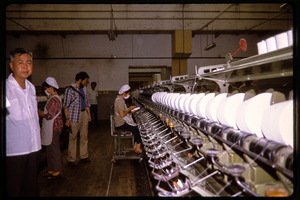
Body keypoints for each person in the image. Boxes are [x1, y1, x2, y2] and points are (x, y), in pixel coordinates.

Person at [6, 48, 41, 196]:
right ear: (12, 65)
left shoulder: (31, 88)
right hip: (15, 151)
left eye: (29, 63)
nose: (25, 67)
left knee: (31, 187)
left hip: (34, 147)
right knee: (14, 189)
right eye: (20, 63)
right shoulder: (6, 89)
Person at [63, 71, 91, 166]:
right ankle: (71, 159)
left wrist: (89, 115)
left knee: (84, 136)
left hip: (84, 114)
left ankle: (84, 156)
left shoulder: (85, 89)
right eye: (85, 81)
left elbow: (87, 103)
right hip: (74, 116)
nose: (85, 83)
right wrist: (67, 119)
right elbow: (66, 106)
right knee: (73, 137)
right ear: (80, 80)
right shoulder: (69, 90)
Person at [38, 77, 63, 179]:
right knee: (49, 149)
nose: (45, 90)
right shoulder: (52, 99)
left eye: (46, 88)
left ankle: (57, 169)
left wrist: (40, 113)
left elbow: (49, 115)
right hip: (50, 127)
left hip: (54, 127)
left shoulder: (55, 100)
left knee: (54, 149)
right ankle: (51, 169)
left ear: (52, 88)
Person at [114, 84, 143, 153]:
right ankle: (138, 148)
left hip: (122, 122)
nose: (128, 95)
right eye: (128, 94)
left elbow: (123, 112)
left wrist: (131, 111)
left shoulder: (121, 99)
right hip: (120, 124)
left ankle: (135, 146)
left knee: (137, 128)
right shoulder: (119, 101)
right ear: (124, 93)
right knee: (138, 129)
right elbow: (122, 114)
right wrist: (129, 109)